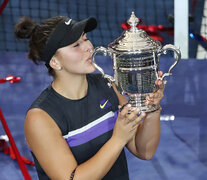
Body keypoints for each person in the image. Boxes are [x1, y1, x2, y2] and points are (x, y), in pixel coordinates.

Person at [14, 15, 164, 180]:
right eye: (76, 45)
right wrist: (118, 139)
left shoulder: (107, 85)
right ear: (55, 62)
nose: (88, 47)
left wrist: (152, 108)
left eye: (85, 39)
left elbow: (144, 151)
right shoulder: (40, 117)